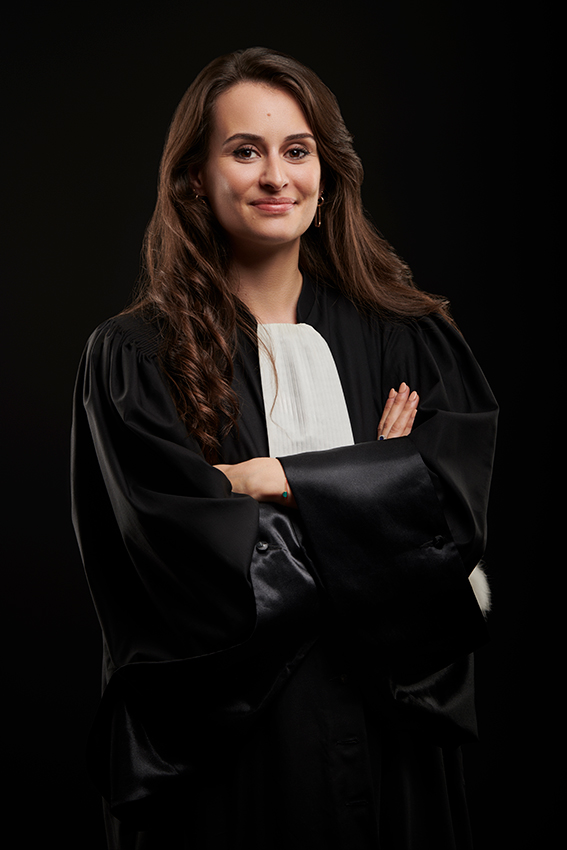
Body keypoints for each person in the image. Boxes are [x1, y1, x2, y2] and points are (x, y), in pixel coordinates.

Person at [71, 47, 498, 850]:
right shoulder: (135, 357)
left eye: (296, 151)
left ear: (325, 173)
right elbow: (187, 564)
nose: (275, 176)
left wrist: (268, 479)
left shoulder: (412, 340)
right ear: (195, 177)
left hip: (389, 734)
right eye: (244, 151)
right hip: (231, 755)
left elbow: (449, 522)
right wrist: (374, 483)